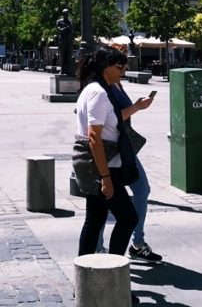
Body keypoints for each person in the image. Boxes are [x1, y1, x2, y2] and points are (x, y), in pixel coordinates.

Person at [75, 47, 139, 257]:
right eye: (119, 65)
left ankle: (87, 280)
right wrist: (105, 177)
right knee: (128, 218)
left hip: (102, 163)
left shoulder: (96, 89)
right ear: (105, 67)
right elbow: (94, 137)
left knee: (95, 220)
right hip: (104, 165)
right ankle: (114, 274)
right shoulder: (98, 93)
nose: (123, 69)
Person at [97, 78, 161, 261]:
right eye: (119, 63)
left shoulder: (116, 83)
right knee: (102, 200)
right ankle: (98, 248)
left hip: (124, 147)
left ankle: (137, 243)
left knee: (142, 190)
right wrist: (137, 107)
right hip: (109, 149)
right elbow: (111, 119)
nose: (124, 67)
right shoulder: (100, 87)